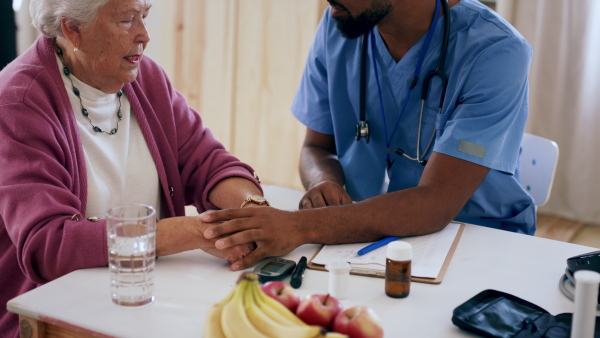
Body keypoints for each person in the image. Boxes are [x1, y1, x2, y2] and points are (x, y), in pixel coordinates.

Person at [201, 0, 535, 271]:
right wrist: (322, 181)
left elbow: (435, 203)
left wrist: (300, 226)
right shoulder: (340, 24)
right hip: (365, 236)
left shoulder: (495, 51)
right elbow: (317, 147)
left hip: (477, 244)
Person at [0, 0, 267, 336]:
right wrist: (194, 232)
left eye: (145, 16)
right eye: (127, 20)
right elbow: (49, 244)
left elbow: (209, 162)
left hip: (144, 305)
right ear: (72, 29)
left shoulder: (146, 78)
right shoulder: (18, 102)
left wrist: (253, 212)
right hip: (53, 319)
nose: (145, 35)